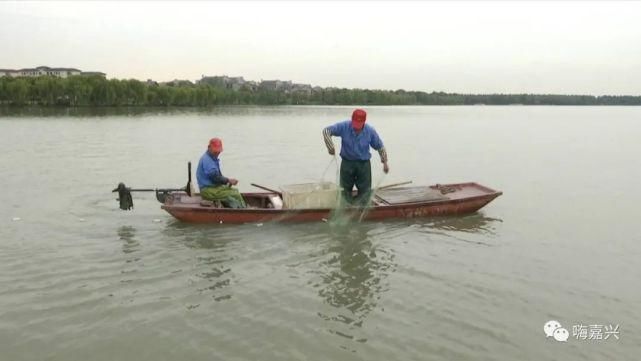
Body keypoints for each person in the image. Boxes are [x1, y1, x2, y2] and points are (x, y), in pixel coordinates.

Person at [323, 109, 389, 206]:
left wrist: (385, 163)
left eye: (359, 124)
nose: (356, 127)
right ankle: (346, 208)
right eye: (355, 124)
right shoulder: (344, 126)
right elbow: (326, 131)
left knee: (365, 192)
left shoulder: (370, 131)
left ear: (364, 122)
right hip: (347, 163)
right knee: (344, 191)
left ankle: (361, 208)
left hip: (364, 165)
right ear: (352, 120)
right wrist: (330, 146)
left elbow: (380, 146)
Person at [196, 137, 247, 208]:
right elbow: (215, 177)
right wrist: (228, 180)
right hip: (207, 190)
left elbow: (217, 177)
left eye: (218, 151)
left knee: (233, 190)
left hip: (213, 187)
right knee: (235, 194)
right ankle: (243, 210)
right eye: (215, 151)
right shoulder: (207, 160)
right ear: (209, 147)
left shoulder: (211, 158)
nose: (217, 153)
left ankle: (238, 207)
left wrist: (226, 182)